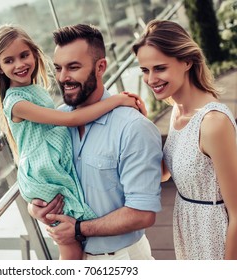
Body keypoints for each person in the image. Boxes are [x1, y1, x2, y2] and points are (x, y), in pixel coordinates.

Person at [0, 24, 146, 260]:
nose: (19, 65)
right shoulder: (16, 102)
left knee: (71, 242)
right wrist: (116, 101)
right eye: (9, 61)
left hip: (51, 167)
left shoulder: (35, 90)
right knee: (69, 246)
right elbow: (71, 119)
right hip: (44, 173)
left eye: (24, 55)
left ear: (34, 53)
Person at [28, 23, 163, 260]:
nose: (63, 77)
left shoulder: (133, 127)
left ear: (101, 67)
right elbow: (41, 176)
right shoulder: (56, 122)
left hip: (123, 258)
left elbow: (143, 213)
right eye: (58, 68)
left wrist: (79, 229)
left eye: (73, 67)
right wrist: (36, 208)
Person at [132, 19, 237, 260]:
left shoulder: (213, 123)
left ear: (187, 61)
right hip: (189, 229)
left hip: (218, 237)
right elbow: (164, 174)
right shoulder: (177, 110)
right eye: (145, 70)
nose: (150, 79)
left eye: (160, 68)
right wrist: (142, 125)